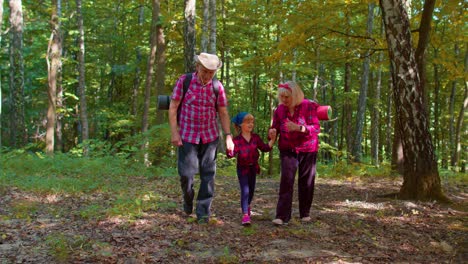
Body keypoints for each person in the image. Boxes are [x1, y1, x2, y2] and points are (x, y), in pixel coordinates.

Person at [169, 52, 234, 223]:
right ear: (197, 67)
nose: (207, 75)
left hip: (209, 136)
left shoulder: (217, 86)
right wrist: (174, 132)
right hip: (187, 135)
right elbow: (173, 107)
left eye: (211, 72)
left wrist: (228, 136)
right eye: (205, 71)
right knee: (186, 174)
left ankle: (203, 212)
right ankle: (188, 199)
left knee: (208, 174)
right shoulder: (185, 81)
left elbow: (223, 112)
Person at [268, 81, 320, 226]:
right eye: (282, 97)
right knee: (286, 181)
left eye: (287, 97)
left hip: (308, 148)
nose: (284, 100)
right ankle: (282, 215)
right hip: (287, 148)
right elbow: (275, 128)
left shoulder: (308, 106)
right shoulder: (279, 110)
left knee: (307, 182)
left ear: (295, 96)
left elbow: (316, 128)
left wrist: (299, 128)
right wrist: (272, 133)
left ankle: (305, 213)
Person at [227, 112, 276, 226]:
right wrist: (229, 147)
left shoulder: (255, 138)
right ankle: (245, 215)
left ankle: (247, 207)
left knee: (251, 191)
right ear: (240, 125)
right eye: (247, 122)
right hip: (242, 169)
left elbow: (264, 148)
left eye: (252, 122)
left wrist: (272, 140)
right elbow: (231, 154)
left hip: (253, 168)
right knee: (245, 191)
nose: (250, 124)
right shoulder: (237, 140)